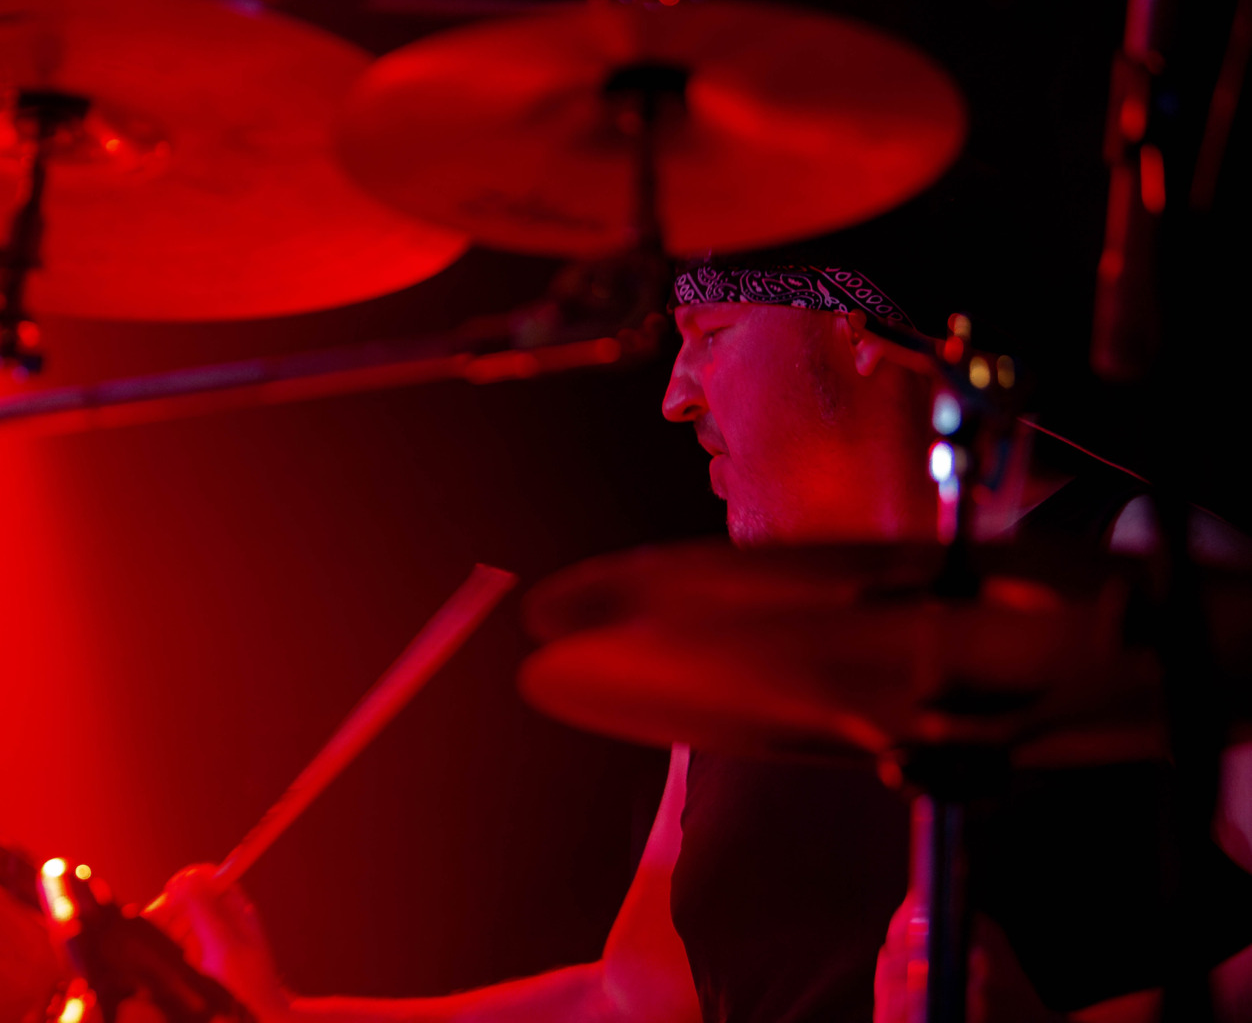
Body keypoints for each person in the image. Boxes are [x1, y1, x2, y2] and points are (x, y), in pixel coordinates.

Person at [146, 262, 1252, 1023]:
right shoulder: (734, 644)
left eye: (711, 338)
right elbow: (634, 1003)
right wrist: (280, 1016)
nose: (676, 397)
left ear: (857, 332)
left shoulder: (1143, 563)